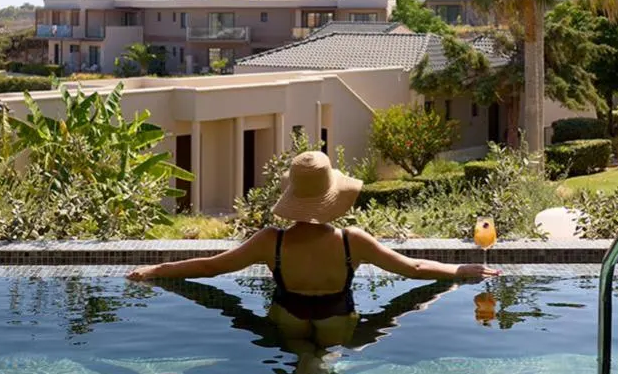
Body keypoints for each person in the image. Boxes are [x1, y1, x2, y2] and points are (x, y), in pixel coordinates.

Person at [128, 149, 498, 351]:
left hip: (287, 320)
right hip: (338, 323)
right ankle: (321, 360)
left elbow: (210, 267)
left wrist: (157, 271)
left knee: (273, 335)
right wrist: (459, 272)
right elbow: (413, 269)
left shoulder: (271, 241)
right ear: (334, 196)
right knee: (374, 331)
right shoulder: (352, 240)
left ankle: (306, 357)